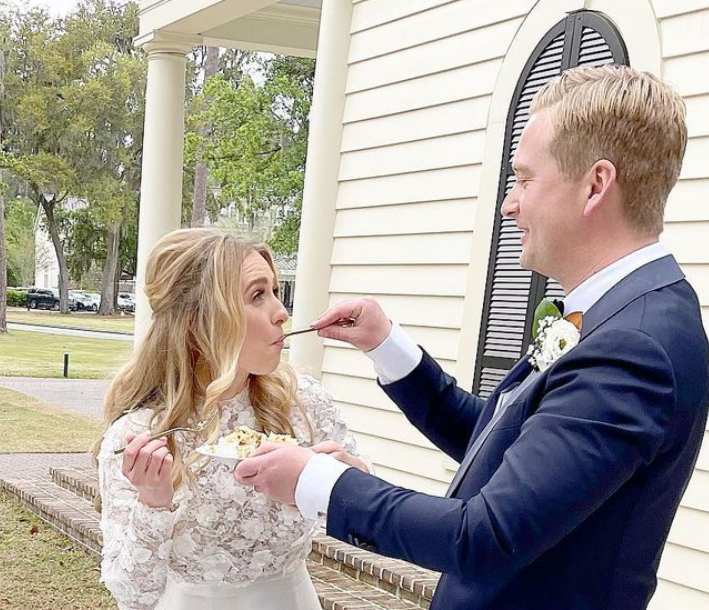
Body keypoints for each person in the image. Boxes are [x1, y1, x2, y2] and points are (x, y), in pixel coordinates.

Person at [234, 65, 709, 610]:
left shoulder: (635, 346)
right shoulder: (617, 313)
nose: (510, 203)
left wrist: (319, 482)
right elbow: (504, 441)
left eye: (525, 179)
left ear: (595, 185)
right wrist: (385, 343)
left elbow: (484, 537)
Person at [94, 228, 366, 610]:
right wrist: (153, 501)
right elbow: (132, 594)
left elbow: (363, 527)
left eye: (274, 291)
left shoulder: (304, 405)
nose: (281, 312)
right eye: (258, 295)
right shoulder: (142, 434)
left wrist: (347, 483)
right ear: (198, 321)